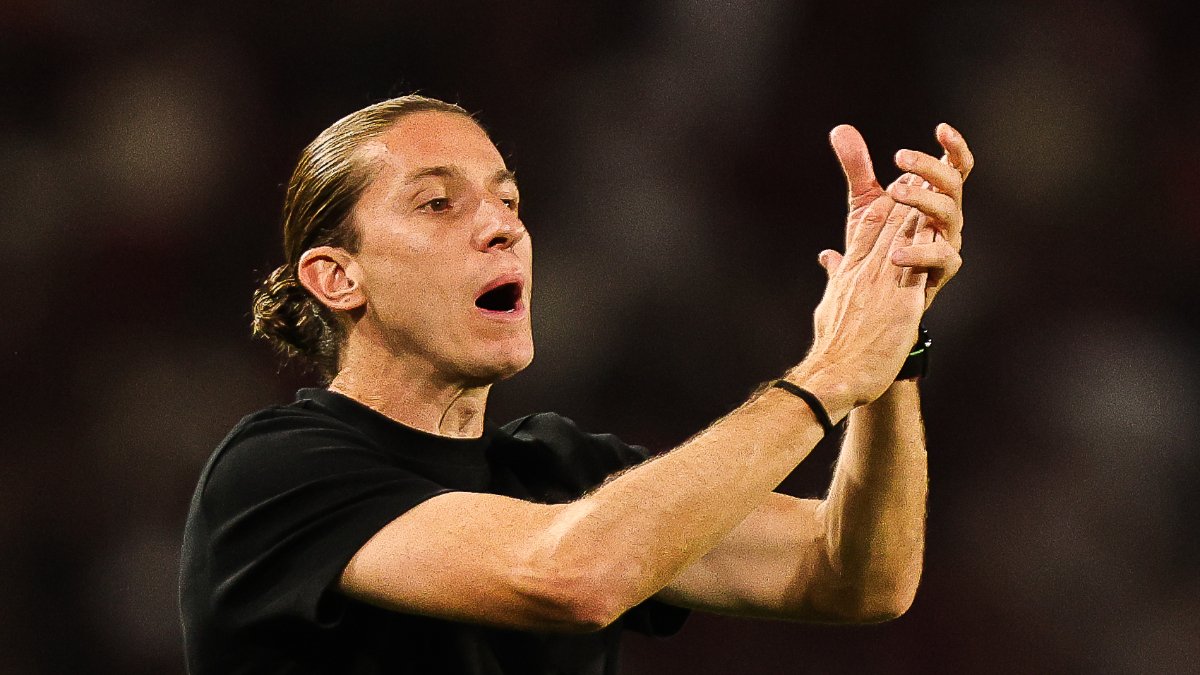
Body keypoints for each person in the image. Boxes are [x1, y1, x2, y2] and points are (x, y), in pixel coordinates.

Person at [179, 94, 973, 674]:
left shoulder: (559, 471)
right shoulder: (275, 474)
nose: (503, 225)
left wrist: (891, 344)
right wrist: (829, 374)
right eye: (437, 202)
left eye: (508, 199)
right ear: (337, 277)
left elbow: (857, 577)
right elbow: (575, 576)